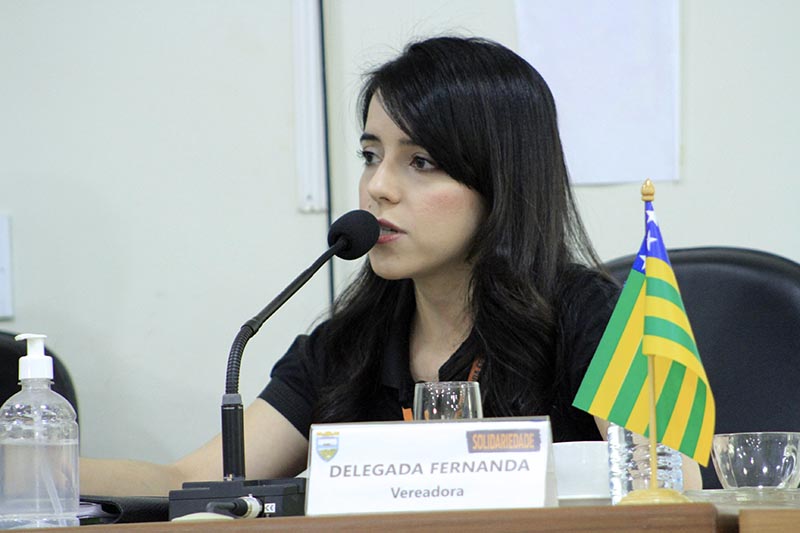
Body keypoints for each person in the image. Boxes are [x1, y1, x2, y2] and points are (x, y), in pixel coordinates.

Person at [81, 36, 699, 496]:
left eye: (420, 162)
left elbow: (670, 484)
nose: (377, 187)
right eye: (370, 155)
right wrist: (42, 465)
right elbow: (190, 478)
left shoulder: (589, 318)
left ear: (499, 183)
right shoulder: (348, 344)